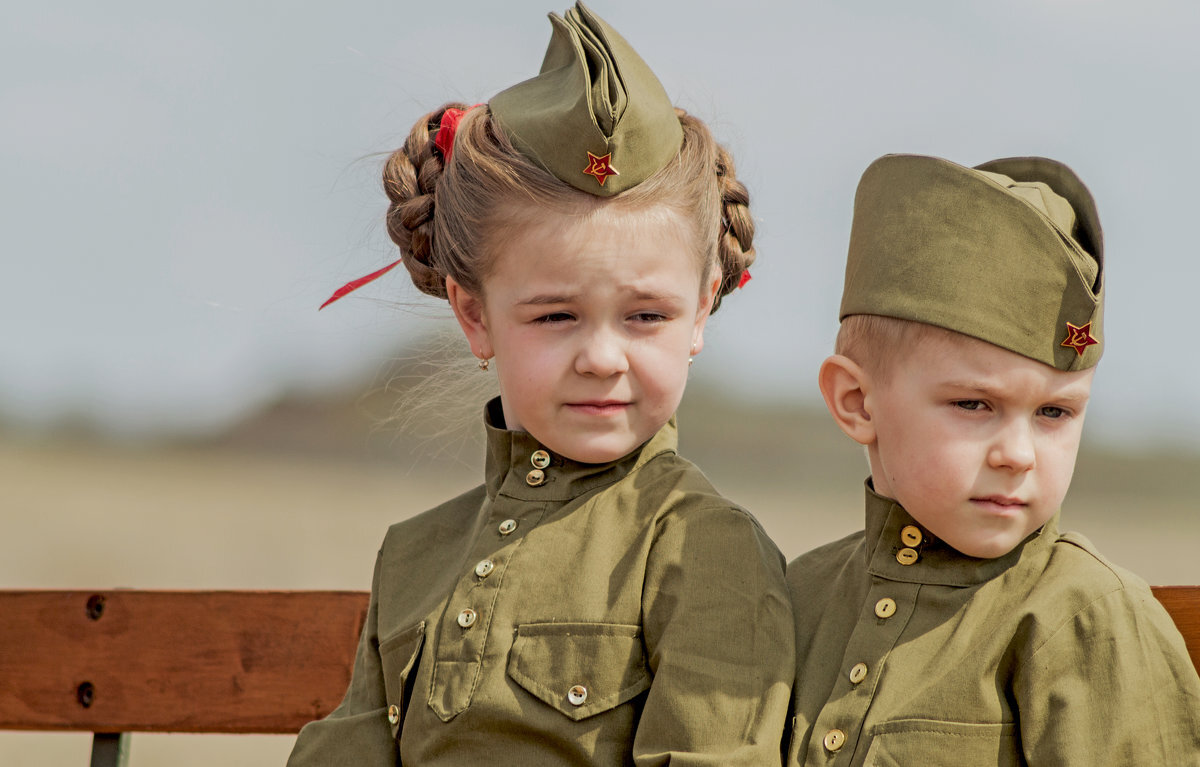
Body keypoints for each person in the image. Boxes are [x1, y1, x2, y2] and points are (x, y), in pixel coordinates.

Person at [288, 4, 793, 765]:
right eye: (556, 316)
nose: (601, 356)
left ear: (703, 308)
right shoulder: (416, 554)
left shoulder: (703, 548)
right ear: (475, 314)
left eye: (646, 315)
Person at [785, 154, 1200, 765]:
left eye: (1055, 413)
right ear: (857, 403)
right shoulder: (796, 599)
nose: (1018, 455)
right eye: (975, 404)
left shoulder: (1083, 616)